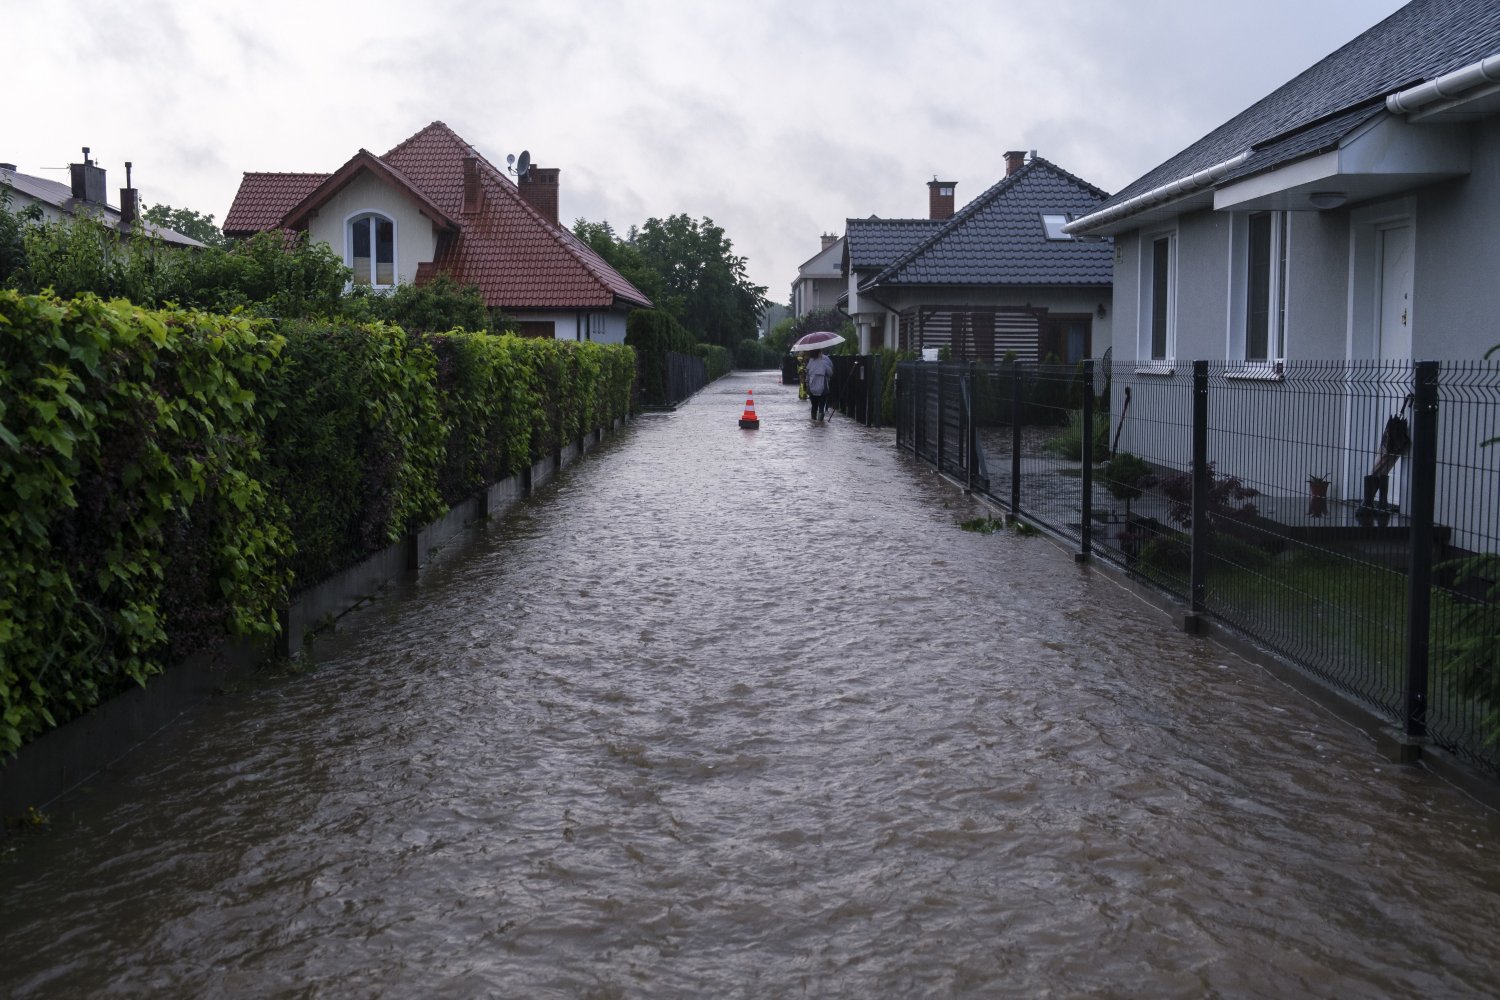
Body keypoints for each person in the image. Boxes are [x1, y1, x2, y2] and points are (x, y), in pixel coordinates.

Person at [805, 349, 834, 422]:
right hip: (822, 388)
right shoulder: (824, 363)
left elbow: (807, 377)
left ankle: (813, 421)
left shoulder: (810, 363)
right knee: (821, 406)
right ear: (819, 353)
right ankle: (820, 422)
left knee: (814, 406)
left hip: (812, 388)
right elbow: (830, 373)